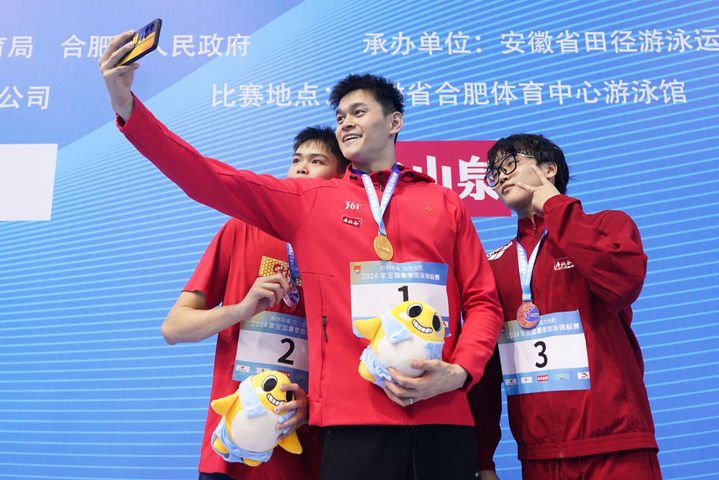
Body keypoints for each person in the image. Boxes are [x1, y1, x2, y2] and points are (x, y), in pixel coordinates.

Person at [99, 31, 503, 480]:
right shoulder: (312, 201)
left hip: (444, 414)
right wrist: (127, 106)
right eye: (340, 117)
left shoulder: (444, 203)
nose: (345, 123)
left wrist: (460, 372)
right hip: (352, 422)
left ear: (395, 122)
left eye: (358, 112)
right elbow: (207, 177)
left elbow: (483, 302)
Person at [161, 127, 349, 480]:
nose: (301, 167)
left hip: (309, 449)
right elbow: (174, 328)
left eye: (317, 161)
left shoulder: (348, 245)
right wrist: (240, 309)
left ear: (341, 179)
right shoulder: (241, 228)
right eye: (296, 160)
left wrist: (315, 405)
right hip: (233, 448)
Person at [474, 133, 661, 479]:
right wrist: (482, 458)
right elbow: (486, 369)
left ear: (549, 168)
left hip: (617, 444)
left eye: (510, 163)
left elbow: (622, 285)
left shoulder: (607, 225)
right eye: (494, 172)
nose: (500, 176)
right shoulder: (493, 264)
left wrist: (555, 204)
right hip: (539, 455)